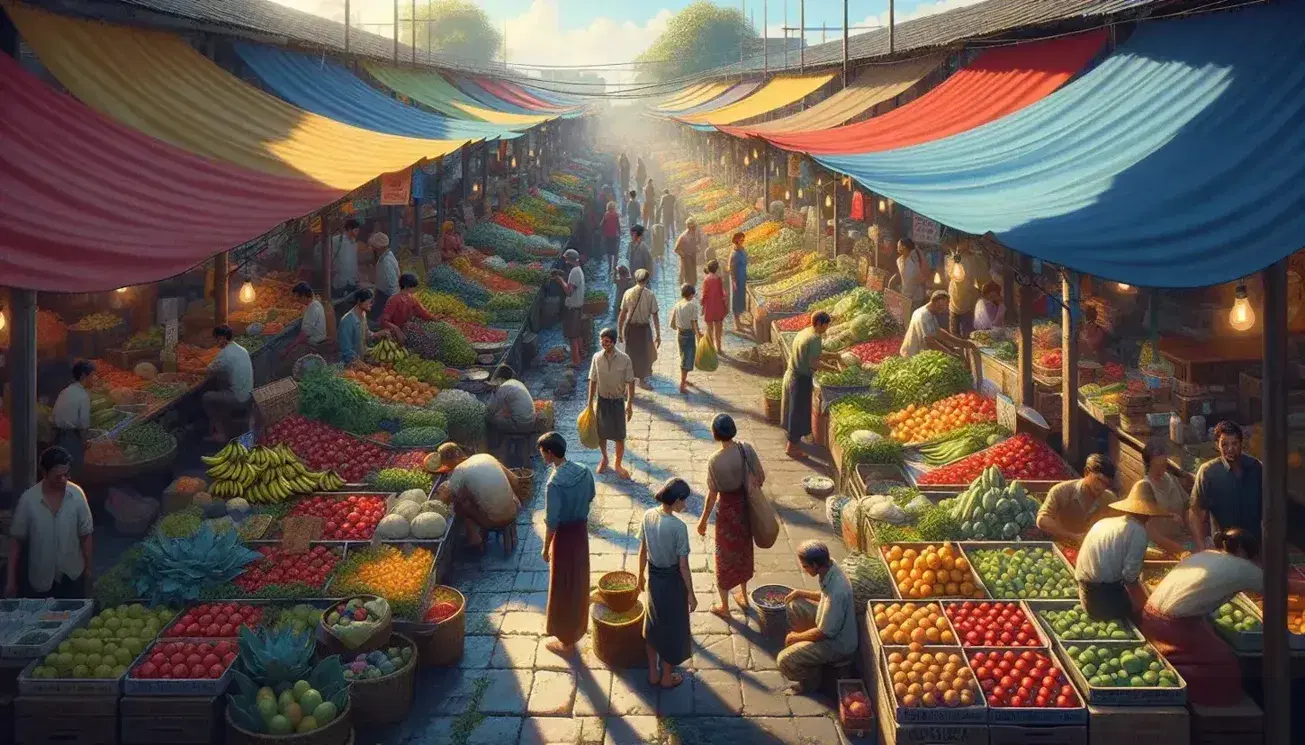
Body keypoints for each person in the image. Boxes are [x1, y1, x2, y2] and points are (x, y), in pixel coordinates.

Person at [1141, 528, 1305, 705]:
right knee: (1224, 664)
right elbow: (1285, 587)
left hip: (1148, 616)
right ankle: (1208, 705)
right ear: (1243, 551)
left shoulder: (1204, 555)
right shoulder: (1243, 567)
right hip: (1173, 627)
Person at [5, 447, 94, 598]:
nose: (64, 480)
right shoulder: (29, 500)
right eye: (58, 476)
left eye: (66, 475)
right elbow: (16, 542)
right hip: (41, 580)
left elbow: (86, 534)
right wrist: (11, 580)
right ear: (44, 473)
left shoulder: (77, 495)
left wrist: (89, 569)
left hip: (72, 576)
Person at [699, 414, 764, 617]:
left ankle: (725, 607)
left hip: (727, 512)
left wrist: (702, 521)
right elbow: (760, 477)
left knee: (724, 556)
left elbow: (712, 495)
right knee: (744, 551)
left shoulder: (715, 461)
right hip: (745, 509)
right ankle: (744, 594)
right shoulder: (746, 449)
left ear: (715, 434)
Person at [538, 431, 596, 656]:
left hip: (564, 538)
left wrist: (545, 548)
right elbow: (590, 495)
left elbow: (552, 521)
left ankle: (566, 641)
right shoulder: (583, 470)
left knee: (563, 587)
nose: (542, 455)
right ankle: (578, 628)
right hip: (580, 532)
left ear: (550, 454)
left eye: (542, 452)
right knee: (579, 581)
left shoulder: (554, 484)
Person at [1074, 481, 1168, 620]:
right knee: (1136, 616)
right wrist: (1146, 606)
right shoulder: (1139, 531)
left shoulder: (1105, 522)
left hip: (1083, 589)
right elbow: (1130, 577)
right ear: (1148, 514)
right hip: (1100, 596)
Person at [777, 541, 859, 694]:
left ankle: (811, 681)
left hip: (838, 644)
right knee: (794, 603)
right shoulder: (829, 567)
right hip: (829, 624)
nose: (804, 569)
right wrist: (801, 592)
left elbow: (824, 633)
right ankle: (808, 653)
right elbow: (823, 596)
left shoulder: (837, 592)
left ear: (815, 565)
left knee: (784, 660)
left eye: (806, 566)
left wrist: (796, 638)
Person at [638, 478, 695, 688]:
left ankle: (653, 672)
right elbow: (683, 566)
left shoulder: (648, 516)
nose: (685, 506)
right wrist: (691, 594)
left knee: (652, 625)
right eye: (684, 501)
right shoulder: (679, 527)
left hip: (653, 579)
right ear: (677, 500)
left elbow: (643, 550)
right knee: (673, 628)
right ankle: (667, 677)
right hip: (672, 581)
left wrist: (640, 575)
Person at [1189, 420, 1263, 550]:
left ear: (1241, 443)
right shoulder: (1208, 472)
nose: (1230, 449)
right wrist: (1202, 547)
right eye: (1224, 444)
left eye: (1234, 443)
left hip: (1255, 546)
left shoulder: (1256, 468)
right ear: (1217, 445)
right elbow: (1196, 513)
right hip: (1223, 547)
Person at [436, 443, 520, 550]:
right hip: (515, 509)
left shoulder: (459, 471)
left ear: (450, 460)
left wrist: (443, 494)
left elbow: (446, 500)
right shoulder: (486, 456)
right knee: (475, 495)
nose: (447, 467)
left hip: (493, 520)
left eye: (446, 464)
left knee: (460, 505)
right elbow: (515, 480)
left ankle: (474, 538)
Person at [1036, 454, 1119, 545]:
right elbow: (1042, 519)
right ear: (1086, 472)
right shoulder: (1061, 491)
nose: (1100, 487)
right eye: (1098, 480)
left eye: (1105, 484)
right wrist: (1070, 536)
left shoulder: (1110, 500)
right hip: (1063, 547)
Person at [782, 311, 832, 458]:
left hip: (792, 374)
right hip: (801, 379)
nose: (826, 328)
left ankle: (793, 442)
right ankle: (792, 447)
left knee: (793, 410)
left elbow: (814, 354)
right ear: (819, 324)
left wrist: (834, 356)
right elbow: (814, 362)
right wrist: (832, 369)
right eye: (826, 325)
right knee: (798, 413)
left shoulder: (805, 332)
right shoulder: (815, 338)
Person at [588, 327, 635, 479]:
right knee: (602, 433)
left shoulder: (625, 359)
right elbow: (593, 380)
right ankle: (605, 458)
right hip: (602, 401)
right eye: (602, 340)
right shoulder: (596, 357)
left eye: (607, 341)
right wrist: (589, 403)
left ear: (614, 342)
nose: (604, 343)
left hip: (617, 402)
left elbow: (631, 383)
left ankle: (618, 464)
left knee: (619, 435)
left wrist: (629, 404)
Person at [201, 325, 253, 442]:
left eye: (216, 339)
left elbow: (208, 370)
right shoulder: (242, 349)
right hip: (249, 395)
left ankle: (220, 434)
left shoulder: (224, 354)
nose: (216, 342)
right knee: (221, 387)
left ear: (222, 338)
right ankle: (226, 423)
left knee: (207, 397)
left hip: (238, 398)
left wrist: (188, 368)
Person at [1142, 441, 1193, 548]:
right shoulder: (1145, 487)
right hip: (1158, 545)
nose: (1161, 469)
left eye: (1164, 464)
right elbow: (1151, 531)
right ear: (1148, 464)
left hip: (1180, 538)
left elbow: (1186, 505)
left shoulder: (1172, 479)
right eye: (1156, 465)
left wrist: (1192, 530)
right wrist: (1175, 547)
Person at [618, 269, 661, 389]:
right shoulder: (650, 295)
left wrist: (620, 332)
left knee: (630, 354)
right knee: (644, 355)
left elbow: (622, 314)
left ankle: (628, 383)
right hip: (644, 329)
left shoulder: (628, 293)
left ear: (635, 279)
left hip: (630, 328)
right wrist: (658, 334)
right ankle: (641, 381)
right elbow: (655, 316)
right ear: (647, 280)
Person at [50, 360, 95, 475]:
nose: (95, 379)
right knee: (72, 472)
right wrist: (84, 445)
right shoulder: (83, 396)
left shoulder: (65, 391)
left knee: (59, 469)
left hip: (57, 437)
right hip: (71, 439)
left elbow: (54, 416)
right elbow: (83, 426)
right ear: (84, 376)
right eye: (93, 375)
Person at [486, 365, 536, 449]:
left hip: (521, 425)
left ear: (499, 379)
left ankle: (493, 448)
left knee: (489, 419)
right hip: (531, 420)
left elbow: (491, 410)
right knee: (499, 416)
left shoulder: (503, 388)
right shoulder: (516, 383)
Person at [947, 239, 989, 337]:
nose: (961, 245)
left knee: (968, 334)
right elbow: (951, 275)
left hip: (969, 301)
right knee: (954, 334)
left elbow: (983, 278)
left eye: (964, 242)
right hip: (954, 300)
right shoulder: (953, 259)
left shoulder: (975, 259)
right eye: (960, 242)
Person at [379, 273, 437, 343]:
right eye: (413, 286)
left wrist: (434, 319)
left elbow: (422, 312)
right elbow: (384, 321)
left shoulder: (412, 299)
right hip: (391, 332)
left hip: (405, 328)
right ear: (407, 286)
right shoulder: (394, 300)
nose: (414, 289)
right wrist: (396, 329)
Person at [337, 289, 388, 366]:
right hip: (350, 366)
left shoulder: (363, 314)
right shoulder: (347, 321)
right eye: (370, 301)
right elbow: (346, 350)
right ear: (359, 301)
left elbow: (366, 334)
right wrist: (361, 364)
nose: (372, 304)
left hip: (361, 362)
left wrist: (378, 334)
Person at [555, 249, 586, 367]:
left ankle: (576, 361)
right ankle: (582, 353)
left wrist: (560, 280)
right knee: (577, 334)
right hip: (578, 307)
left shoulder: (574, 272)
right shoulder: (578, 270)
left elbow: (569, 292)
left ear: (568, 259)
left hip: (573, 309)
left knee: (572, 336)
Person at [670, 283, 702, 394]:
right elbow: (694, 323)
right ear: (691, 294)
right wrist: (698, 336)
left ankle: (684, 379)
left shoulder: (678, 304)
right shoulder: (692, 306)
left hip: (680, 334)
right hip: (689, 335)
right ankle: (682, 385)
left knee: (684, 357)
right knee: (687, 359)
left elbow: (672, 323)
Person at [283, 282, 328, 361]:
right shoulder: (315, 304)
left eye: (298, 297)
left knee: (289, 358)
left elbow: (304, 334)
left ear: (303, 295)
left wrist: (288, 349)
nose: (297, 300)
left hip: (314, 344)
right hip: (315, 340)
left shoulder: (313, 308)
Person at [900, 290, 948, 357]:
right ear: (937, 303)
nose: (945, 309)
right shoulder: (924, 316)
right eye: (943, 305)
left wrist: (961, 342)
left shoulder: (930, 312)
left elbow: (938, 331)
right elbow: (929, 341)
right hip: (912, 355)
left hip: (917, 353)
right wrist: (949, 353)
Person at [369, 232, 398, 323]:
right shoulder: (387, 255)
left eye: (374, 246)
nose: (373, 248)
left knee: (378, 322)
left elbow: (391, 284)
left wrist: (392, 304)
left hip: (386, 296)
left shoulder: (386, 262)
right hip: (382, 294)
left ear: (379, 247)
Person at [701, 260, 727, 352]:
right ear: (716, 269)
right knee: (718, 329)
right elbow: (722, 293)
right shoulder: (718, 279)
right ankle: (719, 347)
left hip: (709, 306)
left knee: (709, 329)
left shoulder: (706, 279)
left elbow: (704, 294)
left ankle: (710, 347)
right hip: (718, 306)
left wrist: (702, 306)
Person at [331, 218, 361, 297]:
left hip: (352, 281)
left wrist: (357, 276)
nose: (358, 232)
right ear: (350, 229)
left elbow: (354, 261)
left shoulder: (354, 242)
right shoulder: (336, 240)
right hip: (339, 280)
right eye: (356, 230)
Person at [895, 238, 929, 308]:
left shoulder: (915, 262)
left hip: (916, 297)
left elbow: (920, 278)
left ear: (904, 247)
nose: (897, 246)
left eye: (899, 244)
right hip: (905, 295)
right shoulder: (899, 261)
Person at [725, 232, 748, 331]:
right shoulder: (734, 254)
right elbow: (731, 269)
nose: (743, 242)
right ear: (737, 241)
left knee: (741, 298)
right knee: (736, 300)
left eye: (743, 240)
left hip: (742, 277)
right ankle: (737, 324)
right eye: (741, 240)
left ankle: (739, 321)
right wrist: (734, 281)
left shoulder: (742, 249)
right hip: (737, 279)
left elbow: (746, 259)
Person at [674, 218, 702, 287]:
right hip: (686, 260)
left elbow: (696, 243)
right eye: (694, 226)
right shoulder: (683, 237)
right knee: (685, 276)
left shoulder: (694, 234)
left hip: (692, 257)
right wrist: (684, 256)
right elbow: (676, 249)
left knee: (693, 277)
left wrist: (696, 247)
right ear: (690, 227)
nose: (696, 227)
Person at [600, 201, 622, 274]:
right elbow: (618, 225)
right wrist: (620, 232)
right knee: (615, 253)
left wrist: (602, 234)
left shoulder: (606, 215)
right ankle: (614, 267)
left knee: (609, 253)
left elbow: (601, 225)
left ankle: (610, 267)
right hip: (615, 236)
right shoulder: (616, 215)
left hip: (608, 236)